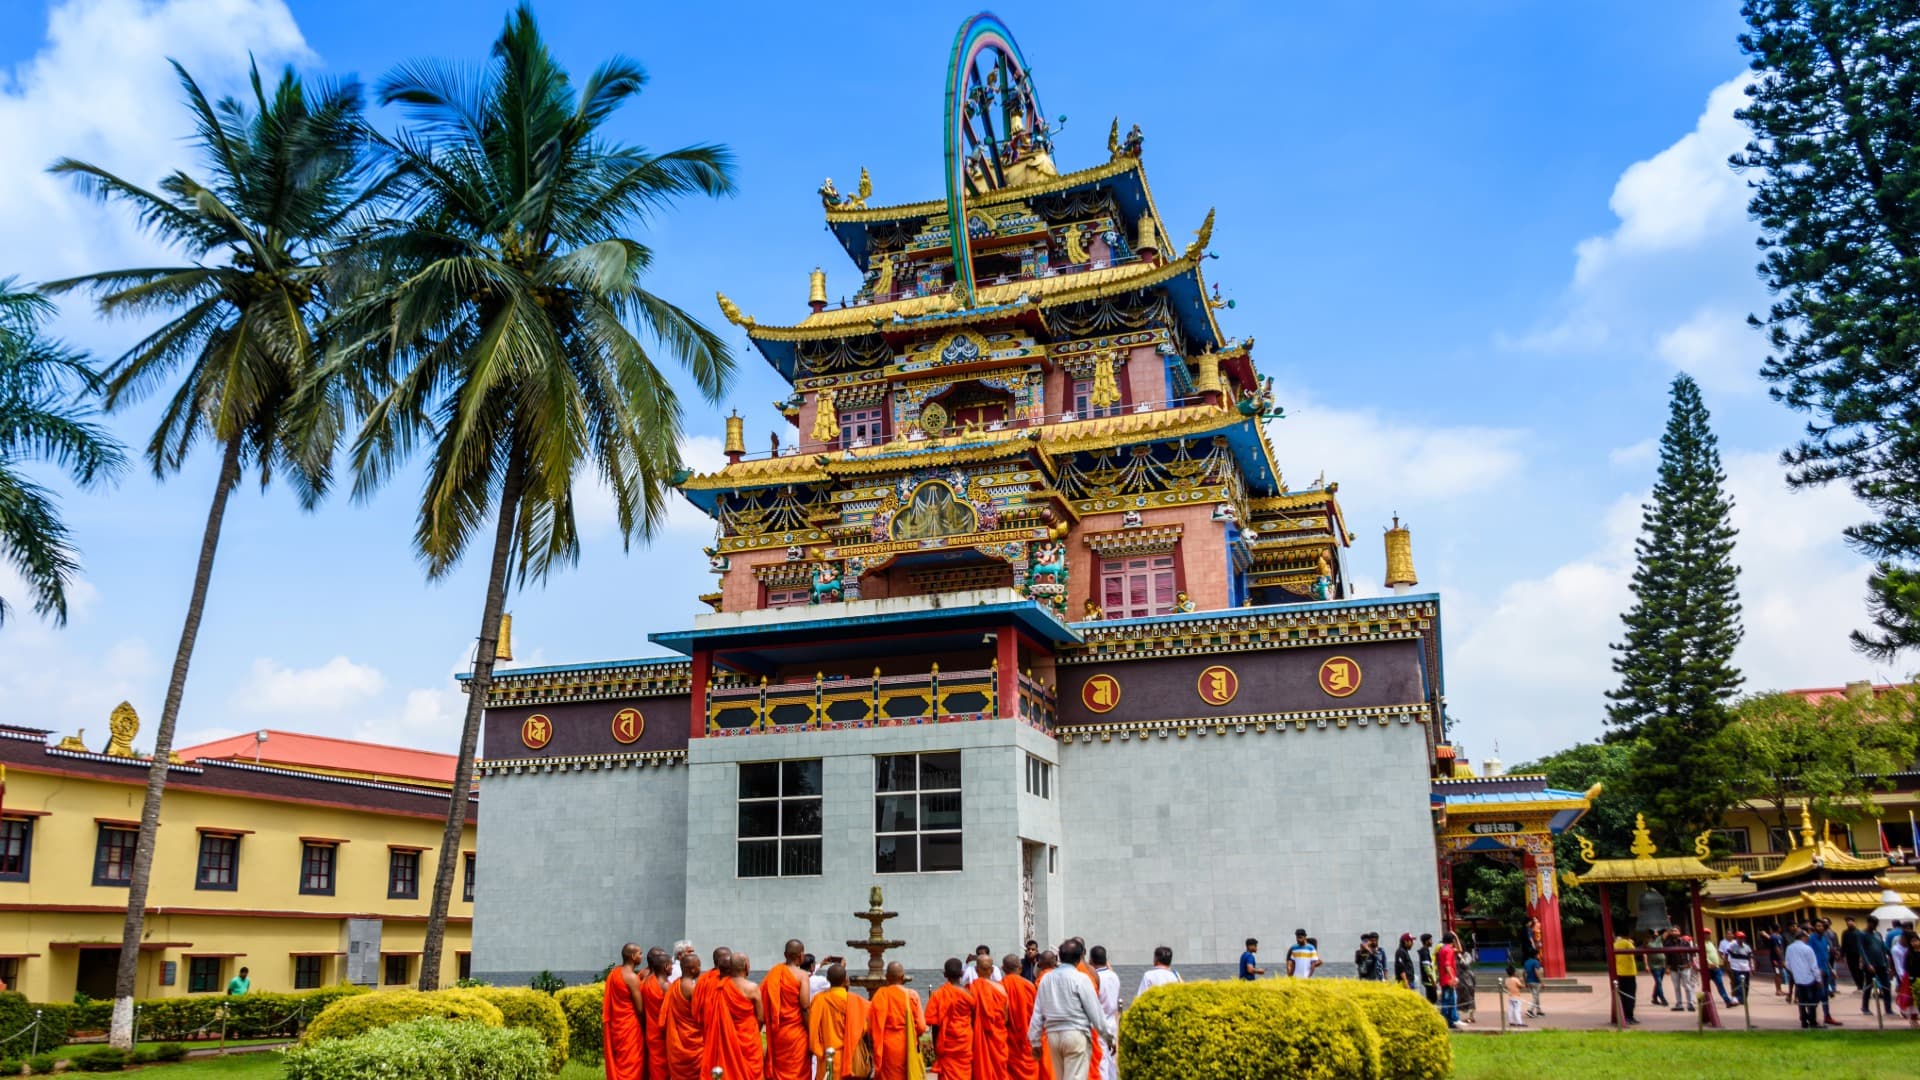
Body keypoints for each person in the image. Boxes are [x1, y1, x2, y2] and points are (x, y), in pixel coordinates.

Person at [1026, 941, 1111, 1080]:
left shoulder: (1046, 979)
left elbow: (1038, 1013)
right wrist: (1108, 1037)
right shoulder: (1081, 979)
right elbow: (1095, 1012)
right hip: (1075, 1034)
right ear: (1079, 958)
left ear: (1059, 957)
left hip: (1053, 1036)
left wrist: (1035, 1041)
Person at [762, 940, 813, 1080]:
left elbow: (763, 1002)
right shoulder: (802, 976)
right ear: (801, 955)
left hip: (779, 1033)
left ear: (785, 954)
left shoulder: (773, 974)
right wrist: (811, 1032)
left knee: (780, 1071)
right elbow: (805, 1007)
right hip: (797, 1033)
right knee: (798, 1072)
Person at [871, 962, 927, 1080]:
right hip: (908, 1044)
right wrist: (912, 1033)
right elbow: (922, 1027)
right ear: (902, 977)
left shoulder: (881, 994)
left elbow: (873, 1025)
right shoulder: (912, 995)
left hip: (888, 1048)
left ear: (886, 977)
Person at [809, 963, 864, 1080]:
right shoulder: (854, 1001)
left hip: (827, 1056)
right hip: (849, 1057)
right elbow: (863, 1028)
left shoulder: (819, 999)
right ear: (846, 979)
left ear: (828, 979)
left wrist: (819, 1053)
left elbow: (812, 1031)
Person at [928, 958, 976, 1080]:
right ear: (962, 973)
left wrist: (936, 1046)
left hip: (946, 1043)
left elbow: (935, 1024)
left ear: (945, 974)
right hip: (965, 1040)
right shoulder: (969, 994)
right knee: (965, 1073)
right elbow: (973, 1020)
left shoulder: (938, 994)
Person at [604, 944, 648, 1079]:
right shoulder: (632, 978)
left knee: (621, 1062)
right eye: (640, 953)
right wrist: (646, 1027)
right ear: (633, 956)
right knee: (632, 1063)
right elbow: (640, 1009)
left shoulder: (614, 974)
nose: (642, 956)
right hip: (630, 1028)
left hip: (617, 1027)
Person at [662, 952, 705, 1080]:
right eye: (699, 966)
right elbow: (701, 1016)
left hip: (677, 1039)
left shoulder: (675, 985)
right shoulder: (692, 988)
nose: (700, 968)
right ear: (692, 969)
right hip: (692, 1042)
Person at [971, 954, 1011, 1080]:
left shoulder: (971, 989)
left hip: (980, 1038)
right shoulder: (1001, 989)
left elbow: (970, 1017)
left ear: (976, 970)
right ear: (992, 970)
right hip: (998, 1037)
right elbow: (1005, 1018)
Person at [1000, 954, 1041, 1080]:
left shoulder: (1000, 987)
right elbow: (1037, 1013)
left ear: (1003, 968)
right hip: (1028, 1036)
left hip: (1008, 1038)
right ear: (1020, 968)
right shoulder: (1030, 986)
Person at [1088, 947, 1119, 1080]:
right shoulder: (1114, 976)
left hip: (1100, 1023)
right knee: (1111, 1061)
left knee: (1101, 1061)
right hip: (1112, 1022)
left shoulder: (1095, 978)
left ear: (1091, 960)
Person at [641, 947, 672, 1080]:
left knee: (655, 1065)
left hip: (651, 1030)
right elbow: (671, 1011)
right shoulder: (665, 986)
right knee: (661, 1067)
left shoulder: (646, 981)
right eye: (671, 965)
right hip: (663, 1033)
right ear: (666, 966)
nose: (672, 968)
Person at [1785, 928, 1823, 1029]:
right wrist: (1818, 979)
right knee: (1812, 1001)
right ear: (1802, 937)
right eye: (1806, 937)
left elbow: (1787, 964)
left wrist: (1795, 971)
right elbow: (1813, 966)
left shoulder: (1789, 948)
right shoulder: (1807, 949)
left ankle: (1803, 1021)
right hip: (1809, 978)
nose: (1807, 938)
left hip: (1798, 979)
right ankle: (1812, 1021)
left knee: (1801, 1001)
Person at [1808, 920, 1842, 1025]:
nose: (1820, 927)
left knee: (1825, 995)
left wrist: (1831, 969)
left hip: (1826, 969)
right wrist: (1815, 969)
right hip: (1817, 971)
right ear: (1814, 927)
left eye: (1822, 926)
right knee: (1820, 994)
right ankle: (1810, 1014)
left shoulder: (1825, 939)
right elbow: (1810, 955)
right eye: (1818, 926)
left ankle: (1827, 1016)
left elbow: (1825, 956)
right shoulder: (1812, 939)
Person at [1859, 915, 1892, 1017]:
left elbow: (1883, 949)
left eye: (1876, 924)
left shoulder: (1878, 934)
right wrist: (1868, 964)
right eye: (1873, 924)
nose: (1874, 926)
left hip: (1881, 964)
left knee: (1886, 985)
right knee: (1868, 986)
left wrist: (1887, 964)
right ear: (1869, 923)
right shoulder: (1862, 934)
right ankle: (1865, 1007)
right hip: (1870, 965)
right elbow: (1861, 950)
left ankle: (1888, 1009)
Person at [1610, 930, 1639, 1026]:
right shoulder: (1627, 943)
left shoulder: (1615, 944)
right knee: (1630, 996)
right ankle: (1630, 1016)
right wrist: (1631, 942)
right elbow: (1634, 952)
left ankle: (1624, 1016)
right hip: (1629, 973)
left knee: (1622, 995)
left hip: (1619, 973)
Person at [1436, 932, 1461, 1028]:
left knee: (1447, 1001)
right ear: (1452, 941)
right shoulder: (1449, 950)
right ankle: (1449, 1021)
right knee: (1450, 1001)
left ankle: (1449, 1021)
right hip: (1448, 980)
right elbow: (1447, 965)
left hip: (1444, 979)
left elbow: (1459, 950)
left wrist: (1456, 937)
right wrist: (1453, 978)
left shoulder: (1442, 949)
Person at [1724, 931, 1753, 1005]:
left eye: (1742, 938)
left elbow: (1750, 958)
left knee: (1746, 984)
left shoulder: (1747, 947)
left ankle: (1744, 999)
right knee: (1739, 983)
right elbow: (1726, 955)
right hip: (1736, 968)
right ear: (1736, 938)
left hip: (1745, 969)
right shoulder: (1732, 946)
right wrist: (1728, 966)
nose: (1741, 939)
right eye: (1740, 938)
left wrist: (1751, 967)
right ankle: (1739, 999)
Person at [1841, 916, 1866, 993]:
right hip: (1849, 955)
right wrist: (1842, 955)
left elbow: (1863, 945)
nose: (1849, 923)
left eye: (1851, 921)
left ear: (1854, 922)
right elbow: (1843, 944)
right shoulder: (1845, 933)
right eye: (1848, 921)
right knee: (1853, 971)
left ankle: (1861, 986)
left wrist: (1862, 956)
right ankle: (1858, 986)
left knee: (1860, 971)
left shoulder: (1859, 932)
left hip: (1858, 955)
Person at [1418, 934, 1437, 1004]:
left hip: (1429, 981)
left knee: (1432, 999)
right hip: (1429, 982)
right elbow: (1427, 968)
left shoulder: (1426, 951)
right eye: (1430, 940)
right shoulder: (1424, 952)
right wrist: (1433, 982)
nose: (1432, 942)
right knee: (1432, 1000)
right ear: (1426, 941)